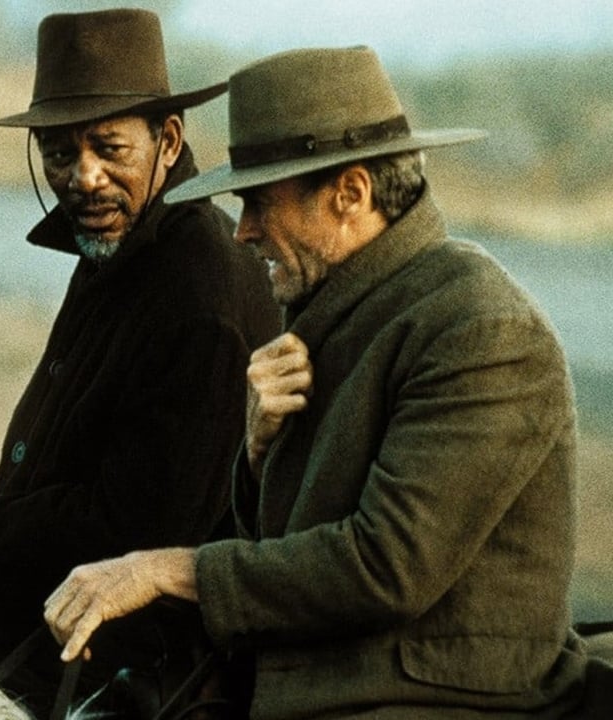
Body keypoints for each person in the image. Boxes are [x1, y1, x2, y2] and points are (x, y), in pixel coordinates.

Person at [43, 45, 591, 719]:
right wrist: (258, 453)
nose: (242, 233)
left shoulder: (480, 329)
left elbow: (385, 567)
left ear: (351, 194)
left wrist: (163, 570)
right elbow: (282, 547)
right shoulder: (334, 309)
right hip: (321, 688)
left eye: (258, 203)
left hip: (433, 702)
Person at [0, 8, 280, 717]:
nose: (83, 177)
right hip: (37, 636)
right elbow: (50, 486)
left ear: (169, 140)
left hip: (122, 678)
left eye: (109, 147)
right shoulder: (119, 243)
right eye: (58, 152)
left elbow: (124, 534)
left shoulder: (201, 292)